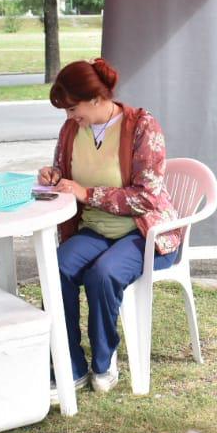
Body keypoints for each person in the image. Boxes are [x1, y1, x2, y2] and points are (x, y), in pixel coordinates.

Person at [38, 59, 181, 398]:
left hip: (144, 233)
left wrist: (86, 193)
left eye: (73, 108)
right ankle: (69, 365)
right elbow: (65, 172)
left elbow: (146, 198)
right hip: (95, 229)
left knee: (103, 275)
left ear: (97, 99)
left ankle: (104, 361)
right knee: (56, 268)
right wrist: (54, 177)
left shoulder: (144, 127)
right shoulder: (72, 130)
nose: (70, 116)